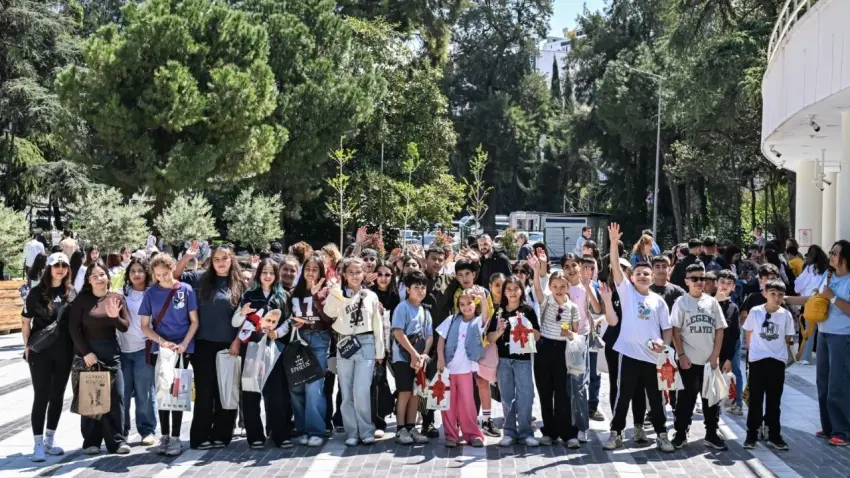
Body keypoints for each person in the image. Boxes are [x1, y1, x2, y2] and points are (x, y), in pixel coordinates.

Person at [603, 223, 674, 453]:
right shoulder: (627, 293)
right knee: (623, 396)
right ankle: (616, 432)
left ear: (652, 278)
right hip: (629, 354)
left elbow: (667, 328)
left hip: (652, 357)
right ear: (631, 278)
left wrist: (664, 346)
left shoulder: (659, 301)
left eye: (646, 274)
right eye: (638, 273)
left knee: (656, 398)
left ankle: (662, 435)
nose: (642, 276)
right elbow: (615, 267)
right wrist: (613, 243)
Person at [175, 242, 244, 450]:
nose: (221, 263)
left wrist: (238, 341)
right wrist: (187, 258)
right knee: (205, 393)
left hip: (229, 345)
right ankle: (200, 436)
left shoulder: (240, 284)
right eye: (216, 259)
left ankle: (221, 435)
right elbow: (175, 277)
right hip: (203, 345)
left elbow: (247, 318)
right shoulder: (199, 279)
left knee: (226, 392)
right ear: (210, 261)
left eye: (225, 258)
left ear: (231, 260)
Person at [68, 264, 132, 455]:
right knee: (91, 397)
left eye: (102, 274)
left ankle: (117, 441)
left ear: (108, 277)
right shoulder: (81, 300)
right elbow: (74, 329)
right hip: (89, 355)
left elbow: (125, 326)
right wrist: (85, 352)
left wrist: (114, 317)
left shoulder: (116, 298)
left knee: (117, 396)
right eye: (94, 275)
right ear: (88, 280)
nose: (98, 278)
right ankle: (91, 441)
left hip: (111, 354)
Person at [140, 253, 199, 456]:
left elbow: (194, 321)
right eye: (158, 275)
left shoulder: (186, 290)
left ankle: (175, 437)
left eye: (165, 273)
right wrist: (161, 342)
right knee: (163, 393)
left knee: (177, 394)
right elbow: (145, 326)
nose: (162, 278)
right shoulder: (150, 293)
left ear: (172, 268)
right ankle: (164, 435)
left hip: (182, 350)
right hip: (161, 350)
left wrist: (184, 343)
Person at [231, 259, 293, 449]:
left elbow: (288, 321)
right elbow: (236, 323)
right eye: (264, 272)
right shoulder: (250, 295)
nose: (267, 276)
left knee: (275, 393)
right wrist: (242, 313)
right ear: (259, 275)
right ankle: (254, 435)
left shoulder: (283, 296)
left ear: (276, 275)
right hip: (251, 348)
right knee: (250, 392)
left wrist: (277, 333)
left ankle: (278, 433)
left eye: (271, 273)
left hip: (273, 349)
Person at [324, 257, 385, 447]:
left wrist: (380, 350)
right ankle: (352, 431)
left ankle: (366, 430)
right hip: (345, 344)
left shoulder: (370, 296)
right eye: (351, 272)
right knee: (346, 390)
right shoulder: (338, 294)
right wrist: (335, 292)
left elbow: (377, 323)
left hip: (366, 343)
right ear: (344, 274)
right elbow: (329, 312)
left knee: (361, 390)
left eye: (358, 272)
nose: (355, 276)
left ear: (364, 273)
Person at [22, 252, 75, 462]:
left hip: (64, 352)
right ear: (49, 268)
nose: (60, 269)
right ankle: (37, 444)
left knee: (57, 396)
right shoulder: (36, 293)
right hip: (40, 352)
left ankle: (50, 441)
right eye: (56, 265)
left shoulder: (72, 292)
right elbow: (25, 322)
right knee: (41, 396)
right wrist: (26, 346)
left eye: (64, 265)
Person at [669, 264, 728, 450]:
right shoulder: (682, 302)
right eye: (694, 279)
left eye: (702, 278)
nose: (699, 282)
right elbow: (675, 331)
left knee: (711, 400)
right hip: (689, 360)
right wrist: (681, 354)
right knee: (685, 401)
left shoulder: (712, 303)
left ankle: (711, 433)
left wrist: (715, 356)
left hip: (709, 361)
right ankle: (680, 433)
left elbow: (719, 330)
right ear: (687, 281)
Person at [528, 257, 581, 447]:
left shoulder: (573, 307)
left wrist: (569, 333)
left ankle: (567, 432)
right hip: (544, 347)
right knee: (545, 391)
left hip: (563, 351)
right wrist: (536, 270)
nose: (559, 290)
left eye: (562, 286)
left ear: (567, 287)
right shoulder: (547, 301)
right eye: (555, 286)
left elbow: (575, 332)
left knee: (562, 393)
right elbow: (537, 290)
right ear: (550, 287)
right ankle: (549, 431)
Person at [487, 276, 541, 447]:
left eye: (515, 288)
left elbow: (538, 335)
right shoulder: (499, 311)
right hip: (504, 360)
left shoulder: (528, 309)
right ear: (503, 292)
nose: (512, 292)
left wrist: (527, 329)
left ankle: (525, 432)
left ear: (521, 290)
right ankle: (509, 431)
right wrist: (499, 331)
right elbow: (490, 338)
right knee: (507, 396)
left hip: (523, 360)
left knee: (525, 395)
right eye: (508, 289)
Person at [742, 280, 795, 450]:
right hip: (758, 360)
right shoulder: (756, 312)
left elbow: (788, 338)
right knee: (755, 398)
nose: (777, 298)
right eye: (773, 293)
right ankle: (752, 434)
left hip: (777, 361)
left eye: (780, 295)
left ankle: (774, 434)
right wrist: (753, 351)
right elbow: (748, 331)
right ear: (765, 294)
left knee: (774, 400)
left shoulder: (785, 314)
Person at [436, 287, 490, 448]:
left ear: (476, 304)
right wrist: (440, 358)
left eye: (469, 303)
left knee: (467, 403)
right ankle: (451, 435)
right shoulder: (451, 319)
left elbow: (486, 315)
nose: (466, 307)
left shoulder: (478, 321)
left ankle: (472, 434)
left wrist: (484, 299)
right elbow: (441, 340)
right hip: (448, 369)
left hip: (465, 370)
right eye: (462, 304)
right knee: (448, 404)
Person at [391, 271, 433, 445]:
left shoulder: (425, 311)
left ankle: (411, 426)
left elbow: (429, 336)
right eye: (416, 287)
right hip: (402, 358)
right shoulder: (402, 307)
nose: (420, 291)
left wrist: (423, 355)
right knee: (405, 392)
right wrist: (413, 354)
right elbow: (398, 332)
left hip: (418, 360)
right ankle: (400, 428)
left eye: (423, 287)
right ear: (408, 289)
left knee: (416, 393)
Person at [814, 240, 850, 446]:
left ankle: (843, 430)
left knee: (839, 384)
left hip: (843, 337)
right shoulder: (826, 276)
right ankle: (828, 427)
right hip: (824, 334)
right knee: (823, 384)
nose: (831, 255)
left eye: (835, 252)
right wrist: (786, 299)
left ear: (845, 257)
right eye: (830, 252)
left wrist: (833, 298)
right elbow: (814, 299)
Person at [118, 258, 157, 446]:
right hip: (123, 349)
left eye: (140, 270)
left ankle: (147, 430)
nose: (136, 274)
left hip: (144, 348)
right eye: (132, 271)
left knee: (144, 392)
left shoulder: (152, 293)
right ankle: (122, 431)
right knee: (122, 393)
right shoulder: (122, 294)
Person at [369, 261, 399, 438]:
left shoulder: (396, 295)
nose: (383, 278)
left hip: (394, 344)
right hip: (374, 344)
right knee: (377, 382)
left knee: (404, 382)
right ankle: (378, 420)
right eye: (379, 274)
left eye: (387, 274)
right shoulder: (369, 294)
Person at [716, 270, 744, 416]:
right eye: (722, 282)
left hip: (727, 350)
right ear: (716, 283)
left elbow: (734, 335)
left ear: (733, 287)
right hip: (708, 351)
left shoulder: (733, 308)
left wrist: (728, 358)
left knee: (732, 375)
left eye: (729, 284)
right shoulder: (708, 303)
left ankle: (736, 403)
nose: (724, 286)